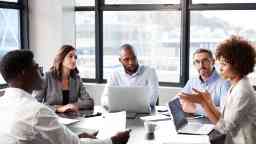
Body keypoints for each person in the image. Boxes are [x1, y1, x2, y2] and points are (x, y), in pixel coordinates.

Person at [0, 50, 130, 144]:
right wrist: (113, 141)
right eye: (36, 68)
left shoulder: (3, 103)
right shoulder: (37, 111)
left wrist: (75, 136)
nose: (40, 72)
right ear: (23, 73)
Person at [179, 36, 256, 144]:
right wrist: (208, 102)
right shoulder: (236, 86)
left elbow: (224, 128)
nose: (220, 69)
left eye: (224, 64)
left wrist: (204, 103)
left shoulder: (243, 91)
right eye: (220, 64)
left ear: (237, 65)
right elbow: (224, 118)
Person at [35, 45, 94, 113]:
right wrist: (57, 108)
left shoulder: (77, 79)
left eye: (75, 57)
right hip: (52, 118)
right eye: (70, 56)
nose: (74, 60)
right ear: (61, 58)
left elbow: (89, 102)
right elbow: (35, 104)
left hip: (72, 118)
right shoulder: (48, 76)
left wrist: (72, 105)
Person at [101, 44, 159, 110]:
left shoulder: (150, 72)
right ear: (120, 60)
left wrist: (125, 105)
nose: (131, 62)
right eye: (126, 59)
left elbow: (153, 98)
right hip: (120, 112)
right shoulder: (115, 74)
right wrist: (120, 105)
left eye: (133, 58)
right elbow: (104, 99)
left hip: (143, 112)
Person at [178, 48, 230, 115]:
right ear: (194, 64)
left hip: (214, 124)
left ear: (213, 62)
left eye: (205, 61)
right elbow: (179, 100)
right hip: (196, 121)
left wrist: (195, 108)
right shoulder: (192, 81)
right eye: (197, 62)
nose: (201, 65)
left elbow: (225, 111)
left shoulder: (224, 83)